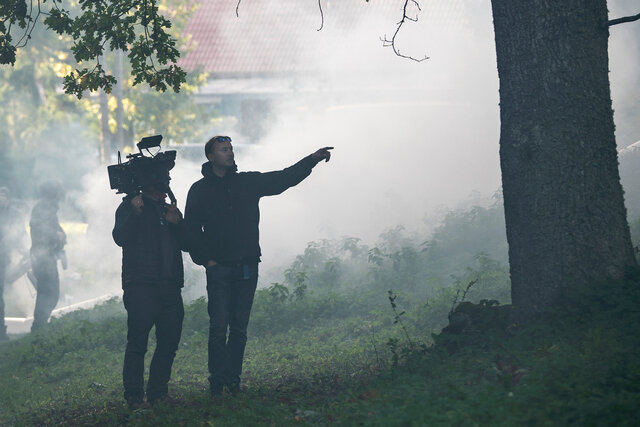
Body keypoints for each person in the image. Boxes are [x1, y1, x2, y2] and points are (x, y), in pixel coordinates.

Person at [184, 135, 333, 396]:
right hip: (218, 268)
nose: (230, 154)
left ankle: (233, 380)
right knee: (219, 328)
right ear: (210, 156)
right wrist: (207, 260)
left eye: (230, 149)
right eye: (223, 150)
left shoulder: (246, 182)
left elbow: (283, 179)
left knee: (239, 328)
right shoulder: (199, 190)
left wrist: (312, 160)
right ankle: (217, 382)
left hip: (246, 266)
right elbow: (191, 231)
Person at [112, 166, 189, 409]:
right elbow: (120, 237)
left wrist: (176, 223)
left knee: (169, 341)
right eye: (164, 175)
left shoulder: (169, 209)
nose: (168, 178)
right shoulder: (131, 206)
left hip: (169, 285)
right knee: (138, 342)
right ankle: (134, 396)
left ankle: (158, 392)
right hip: (141, 285)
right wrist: (134, 212)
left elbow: (187, 243)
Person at [29, 182, 66, 332]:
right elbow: (41, 230)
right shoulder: (43, 208)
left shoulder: (48, 209)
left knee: (50, 292)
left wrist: (61, 234)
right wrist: (57, 236)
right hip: (43, 258)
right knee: (48, 293)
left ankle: (40, 325)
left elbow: (54, 228)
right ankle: (38, 327)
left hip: (46, 257)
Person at [0, 187, 26, 341]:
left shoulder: (14, 214)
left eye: (3, 196)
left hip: (4, 258)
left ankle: (2, 332)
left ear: (8, 199)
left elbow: (20, 233)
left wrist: (22, 249)